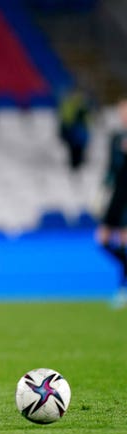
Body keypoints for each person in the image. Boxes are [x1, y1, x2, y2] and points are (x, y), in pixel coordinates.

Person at [96, 99, 127, 308]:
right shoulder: (116, 138)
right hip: (117, 194)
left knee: (125, 240)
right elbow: (111, 167)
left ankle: (122, 289)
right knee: (102, 239)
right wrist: (102, 191)